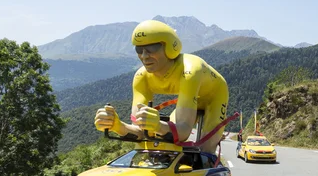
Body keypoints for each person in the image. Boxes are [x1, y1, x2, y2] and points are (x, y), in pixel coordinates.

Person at [94, 19, 230, 155]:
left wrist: (158, 125)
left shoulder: (190, 71)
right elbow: (140, 132)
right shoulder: (141, 77)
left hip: (215, 95)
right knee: (163, 143)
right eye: (139, 49)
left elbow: (183, 131)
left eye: (151, 49)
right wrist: (117, 126)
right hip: (191, 95)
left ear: (170, 47)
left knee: (206, 151)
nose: (144, 56)